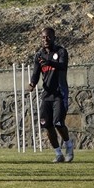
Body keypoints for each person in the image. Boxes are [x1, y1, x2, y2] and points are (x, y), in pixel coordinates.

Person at [27, 26, 73, 163]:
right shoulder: (39, 55)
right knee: (46, 125)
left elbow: (63, 66)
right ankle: (58, 153)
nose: (45, 39)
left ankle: (69, 146)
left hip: (59, 93)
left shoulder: (61, 51)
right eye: (43, 37)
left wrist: (51, 63)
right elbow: (36, 73)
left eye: (48, 37)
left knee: (58, 123)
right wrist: (32, 83)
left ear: (53, 37)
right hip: (46, 95)